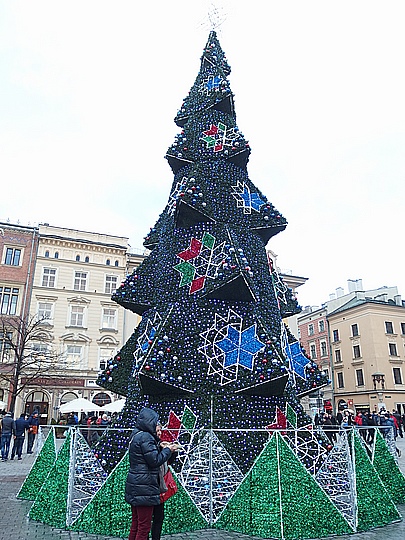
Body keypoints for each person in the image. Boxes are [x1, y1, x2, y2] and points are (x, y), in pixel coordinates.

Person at [125, 407, 177, 540]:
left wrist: (159, 446)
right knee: (144, 527)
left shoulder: (136, 434)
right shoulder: (146, 437)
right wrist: (168, 450)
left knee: (136, 524)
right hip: (145, 487)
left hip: (136, 484)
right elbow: (154, 460)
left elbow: (145, 455)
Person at [151, 424, 178, 540]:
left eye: (160, 430)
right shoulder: (149, 446)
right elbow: (156, 461)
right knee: (147, 520)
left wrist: (172, 450)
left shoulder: (161, 444)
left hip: (159, 487)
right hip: (151, 486)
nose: (159, 433)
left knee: (159, 517)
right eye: (157, 431)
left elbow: (168, 461)